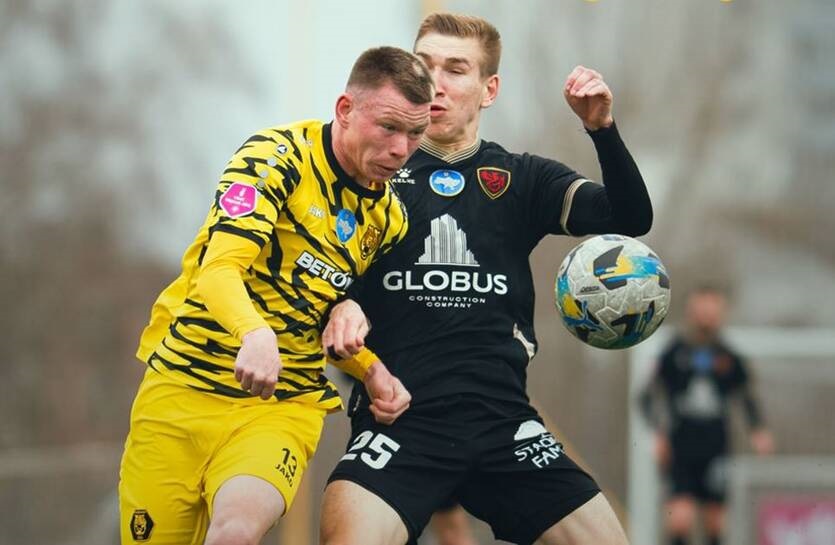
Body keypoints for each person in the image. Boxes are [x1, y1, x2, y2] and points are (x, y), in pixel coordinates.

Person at [319, 13, 652, 545]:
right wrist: (343, 307)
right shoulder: (369, 174)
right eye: (423, 66)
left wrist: (601, 129)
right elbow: (319, 284)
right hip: (400, 423)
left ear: (489, 89)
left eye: (455, 69)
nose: (434, 83)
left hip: (504, 425)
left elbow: (630, 217)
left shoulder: (523, 178)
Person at [118, 46, 433, 545]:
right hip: (181, 389)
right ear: (345, 110)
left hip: (280, 403)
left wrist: (372, 370)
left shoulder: (390, 219)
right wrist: (254, 333)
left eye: (416, 133)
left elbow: (327, 318)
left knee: (235, 531)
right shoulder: (275, 159)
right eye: (389, 127)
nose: (401, 149)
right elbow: (218, 271)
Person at [640, 286, 775, 545]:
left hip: (716, 448)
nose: (707, 316)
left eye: (712, 311)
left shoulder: (729, 357)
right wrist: (657, 434)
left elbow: (747, 397)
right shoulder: (674, 353)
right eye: (702, 310)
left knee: (715, 522)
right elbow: (646, 397)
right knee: (680, 519)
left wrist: (758, 430)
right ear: (691, 312)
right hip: (680, 448)